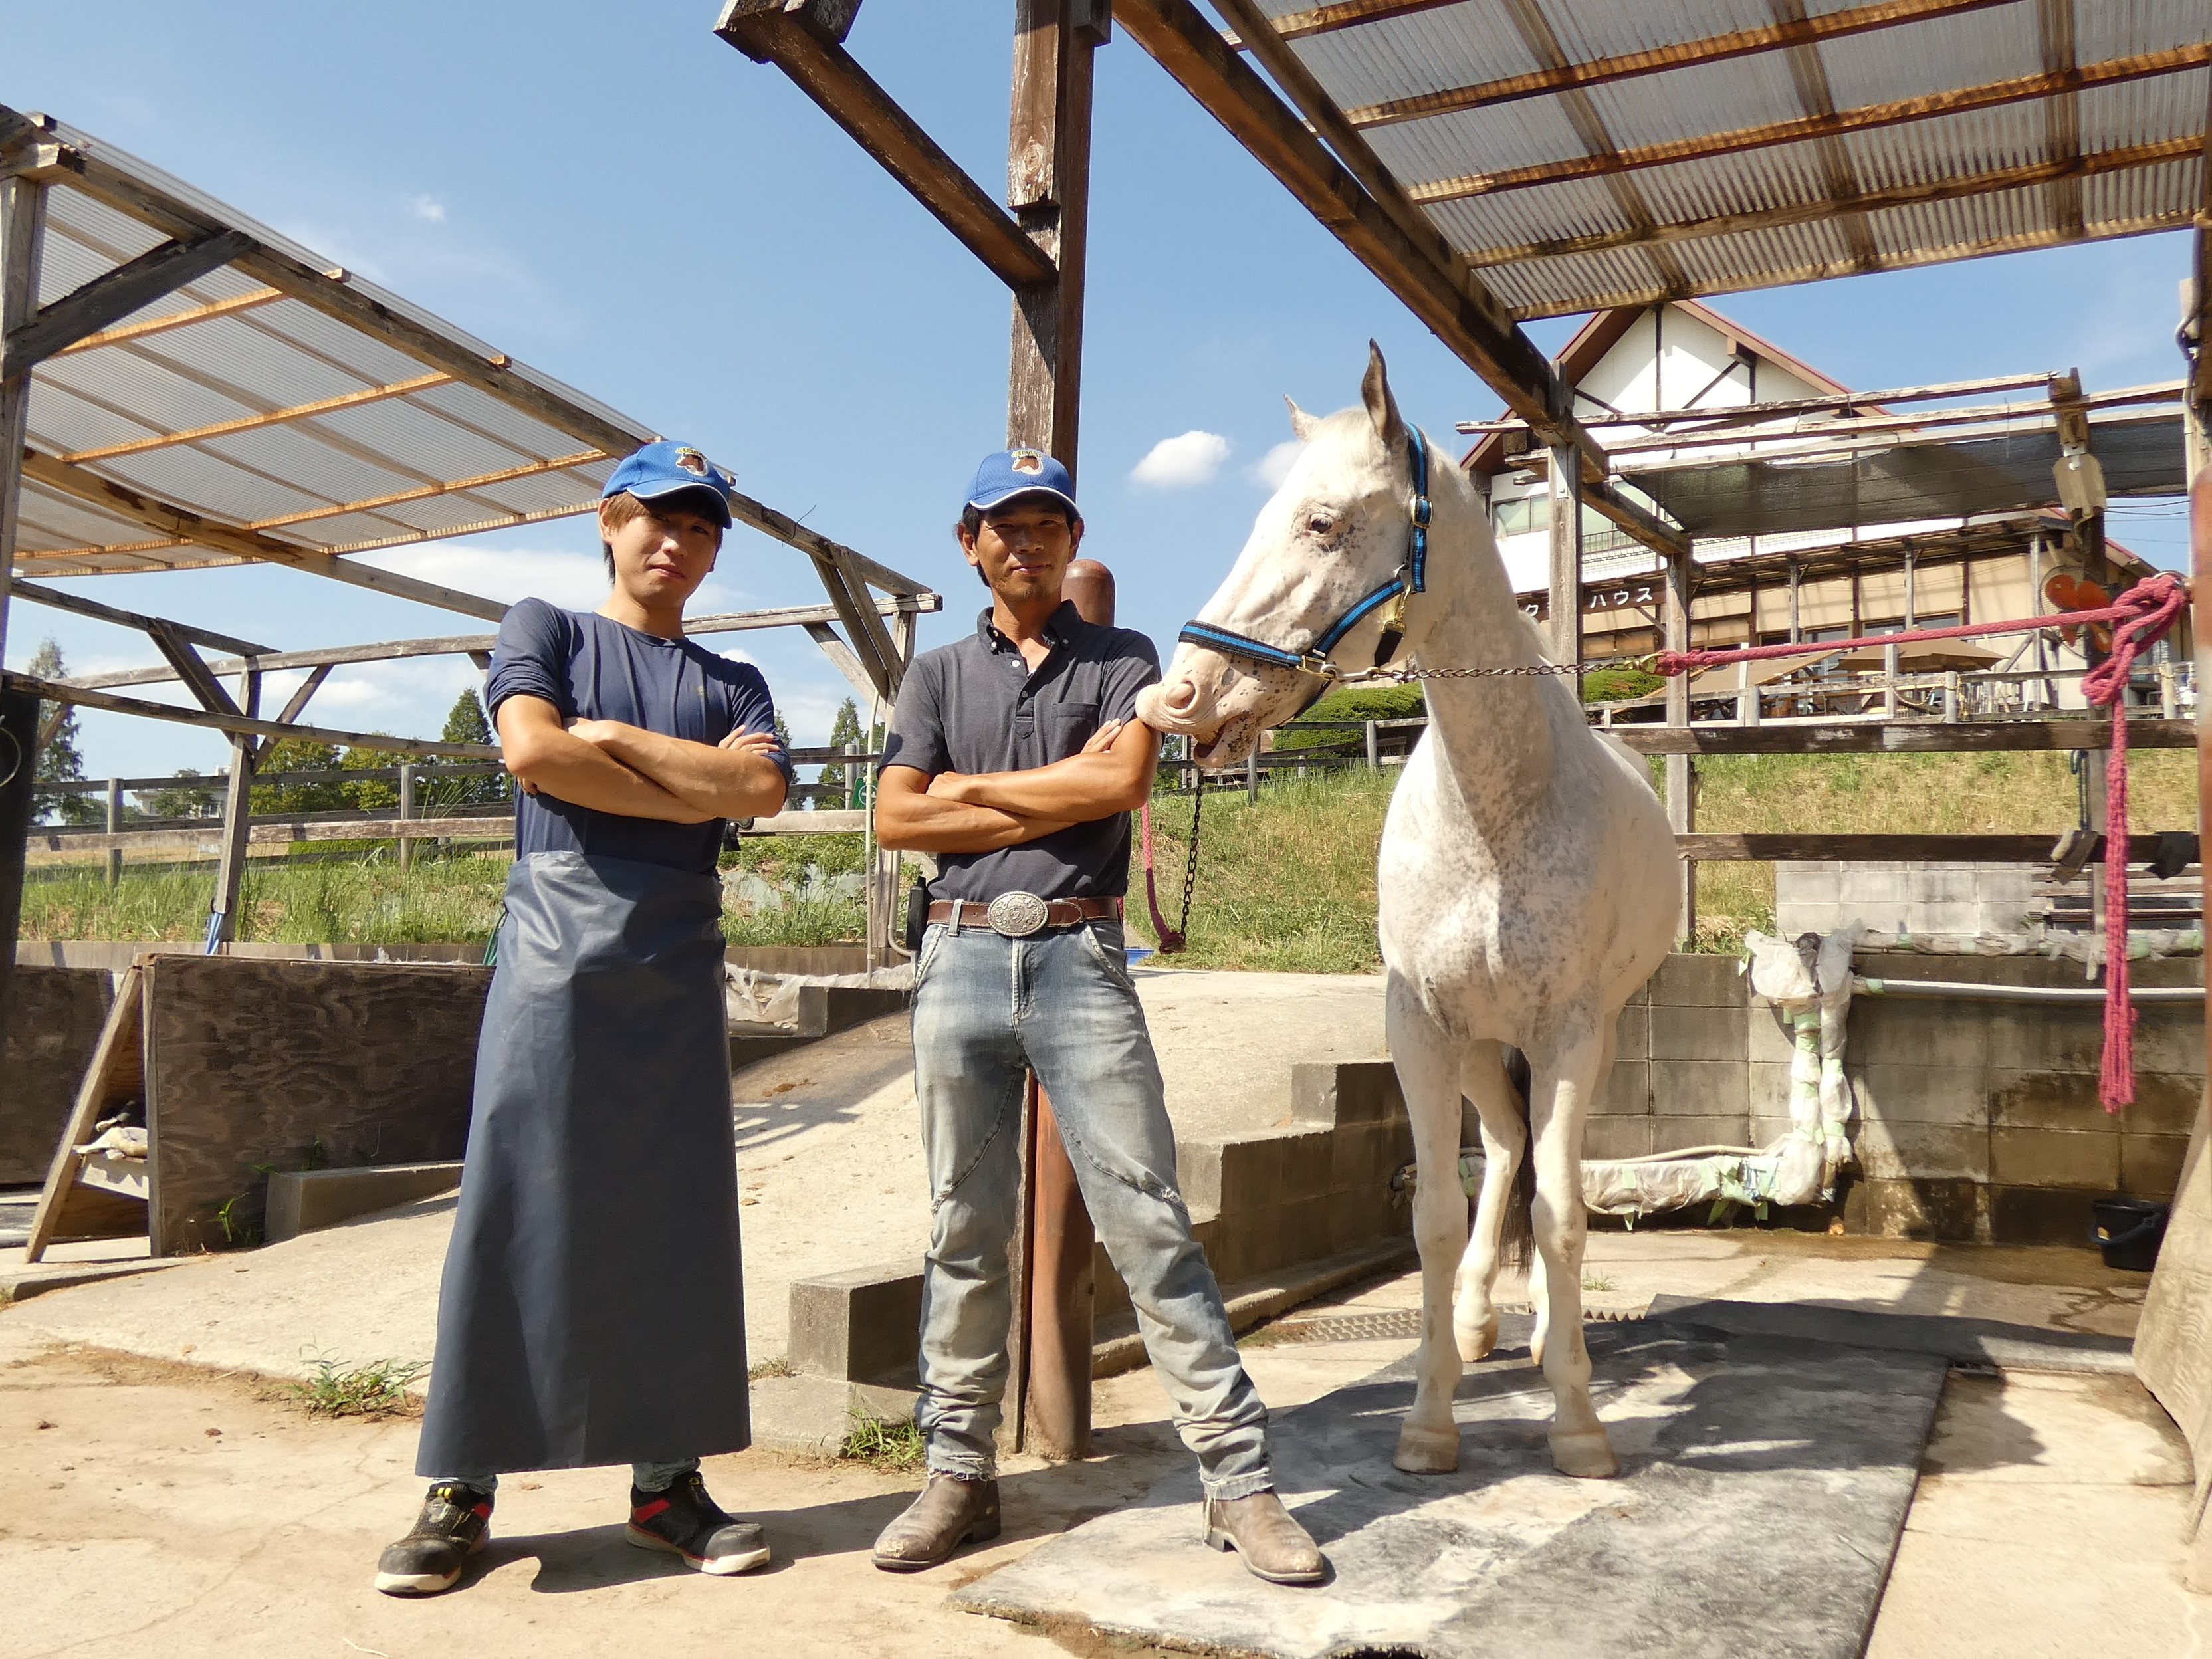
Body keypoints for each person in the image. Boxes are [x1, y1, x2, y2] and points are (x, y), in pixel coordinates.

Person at [868, 448, 1325, 1586]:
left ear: (1074, 541)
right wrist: (1036, 795)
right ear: (970, 543)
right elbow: (894, 819)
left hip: (1080, 954)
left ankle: (1239, 1482)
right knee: (962, 1226)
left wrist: (966, 791)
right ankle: (958, 1473)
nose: (1028, 542)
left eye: (1049, 525)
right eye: (1006, 525)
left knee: (1149, 1219)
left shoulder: (1125, 659)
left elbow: (1117, 787)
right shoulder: (934, 675)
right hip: (959, 958)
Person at [375, 441, 794, 1596]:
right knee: (512, 1203)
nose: (678, 542)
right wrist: (682, 783)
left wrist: (607, 742)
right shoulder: (544, 628)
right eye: (659, 517)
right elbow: (533, 753)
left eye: (702, 527)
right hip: (553, 960)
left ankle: (667, 1487)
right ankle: (462, 1487)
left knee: (675, 1215)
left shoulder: (736, 680)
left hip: (676, 963)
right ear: (609, 521)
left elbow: (761, 791)